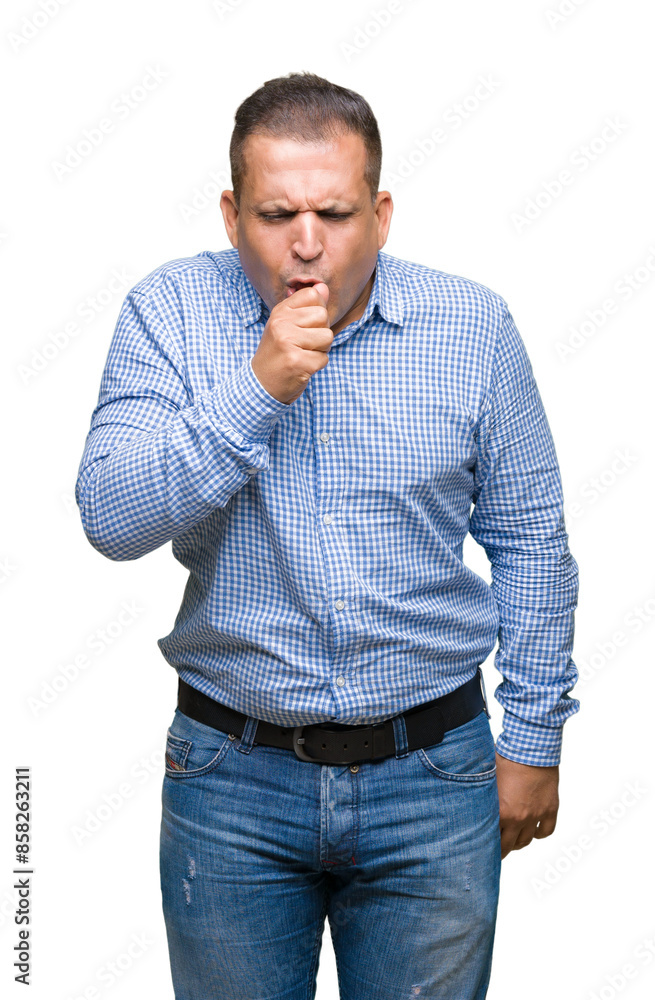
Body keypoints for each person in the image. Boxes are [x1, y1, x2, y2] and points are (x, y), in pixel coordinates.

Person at [75, 71, 580, 1000]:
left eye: (335, 214)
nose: (306, 243)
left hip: (434, 776)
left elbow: (530, 542)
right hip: (231, 777)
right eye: (276, 215)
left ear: (379, 216)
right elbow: (110, 516)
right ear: (232, 216)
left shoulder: (470, 327)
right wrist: (256, 388)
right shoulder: (169, 312)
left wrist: (535, 738)